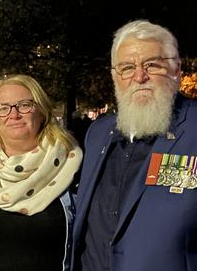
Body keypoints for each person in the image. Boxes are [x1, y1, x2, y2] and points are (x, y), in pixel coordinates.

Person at [72, 20, 197, 271]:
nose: (140, 77)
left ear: (176, 69)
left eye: (153, 64)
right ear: (115, 77)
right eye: (127, 67)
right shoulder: (97, 134)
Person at [0, 74, 83, 271]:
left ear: (42, 111)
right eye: (2, 108)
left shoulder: (71, 164)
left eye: (24, 105)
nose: (14, 115)